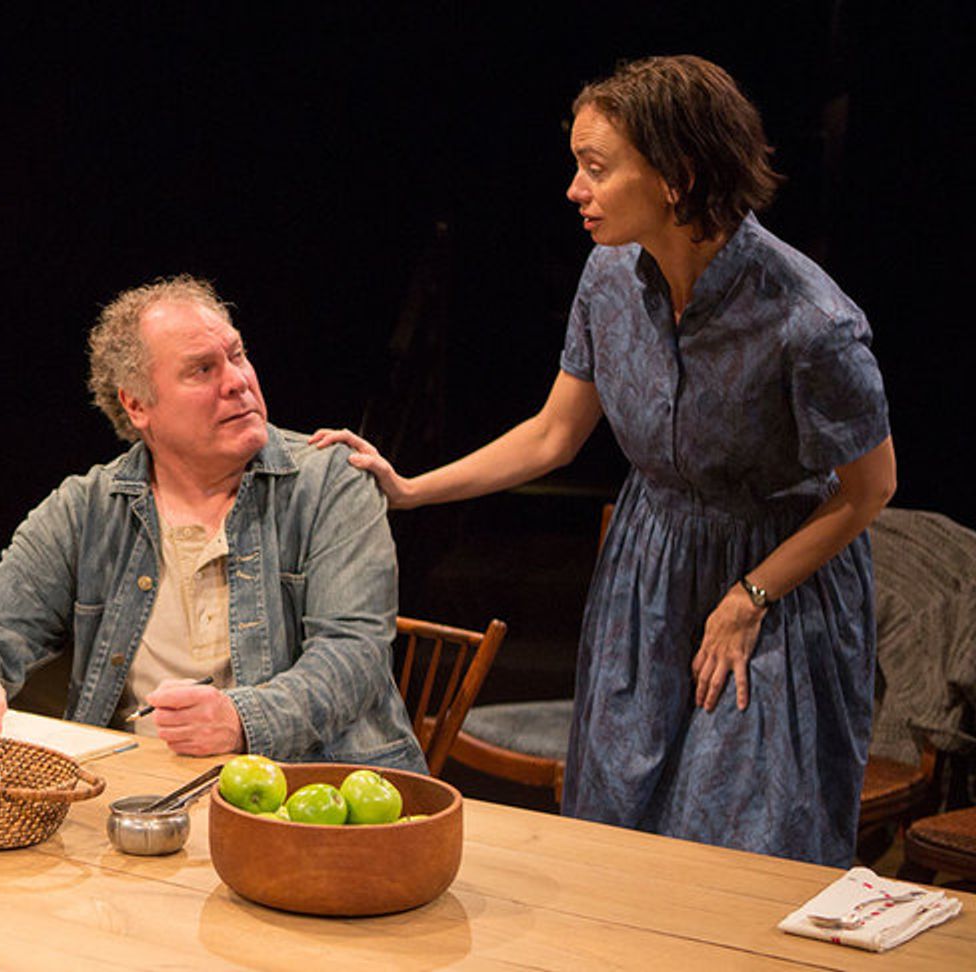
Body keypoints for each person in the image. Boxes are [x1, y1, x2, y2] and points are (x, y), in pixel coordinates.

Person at [312, 55, 895, 865]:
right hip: (651, 574)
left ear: (677, 177)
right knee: (619, 828)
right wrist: (409, 490)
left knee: (738, 844)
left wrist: (751, 595)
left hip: (776, 586)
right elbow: (555, 433)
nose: (574, 190)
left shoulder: (809, 319)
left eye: (595, 168)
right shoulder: (610, 276)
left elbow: (870, 490)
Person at [0, 275, 427, 773]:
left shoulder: (332, 480)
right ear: (137, 405)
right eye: (202, 370)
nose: (238, 381)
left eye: (237, 355)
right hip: (142, 793)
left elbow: (352, 657)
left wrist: (241, 720)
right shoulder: (88, 507)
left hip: (317, 791)